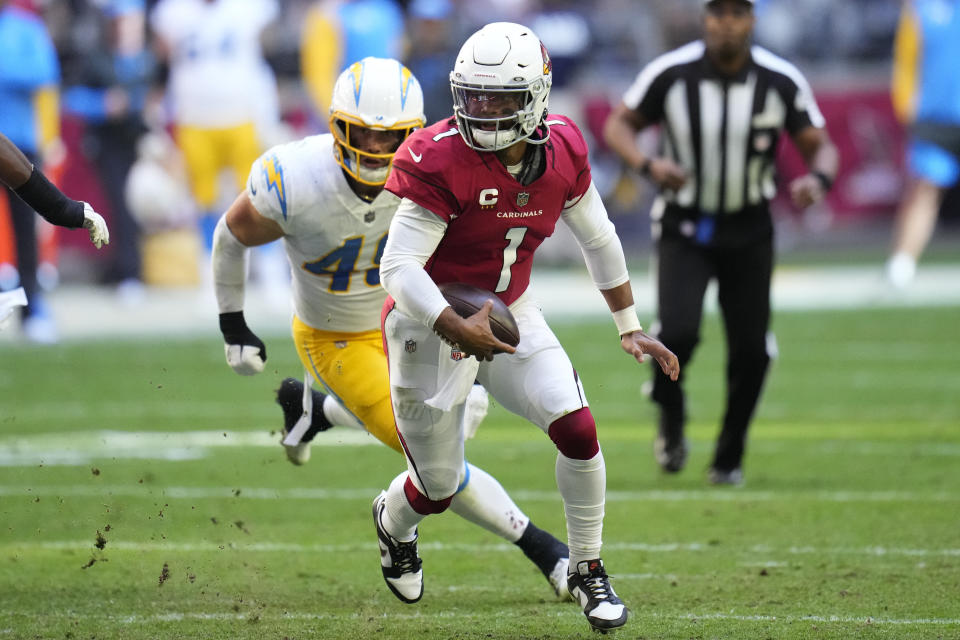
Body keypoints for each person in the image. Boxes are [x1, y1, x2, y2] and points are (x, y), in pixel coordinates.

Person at [211, 56, 572, 601]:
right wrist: (233, 323)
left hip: (416, 321)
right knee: (434, 467)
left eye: (392, 138)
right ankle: (545, 550)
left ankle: (314, 411)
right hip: (337, 334)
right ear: (336, 126)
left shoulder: (441, 166)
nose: (378, 151)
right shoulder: (295, 178)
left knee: (449, 436)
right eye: (364, 135)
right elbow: (231, 233)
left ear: (416, 133)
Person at [372, 23, 679, 633]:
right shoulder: (439, 156)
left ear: (536, 96)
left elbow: (598, 236)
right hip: (424, 326)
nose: (483, 110)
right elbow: (397, 267)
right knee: (436, 487)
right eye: (474, 95)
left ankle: (589, 570)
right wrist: (450, 323)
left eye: (500, 98)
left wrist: (629, 324)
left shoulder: (563, 148)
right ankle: (392, 521)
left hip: (510, 314)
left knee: (579, 426)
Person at [603, 0, 838, 485]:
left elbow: (820, 144)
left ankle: (728, 458)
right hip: (684, 225)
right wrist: (648, 167)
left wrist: (818, 179)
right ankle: (670, 416)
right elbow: (618, 124)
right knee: (678, 335)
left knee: (752, 351)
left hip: (750, 229)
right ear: (704, 18)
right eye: (717, 12)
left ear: (752, 19)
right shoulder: (671, 72)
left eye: (736, 12)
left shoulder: (779, 79)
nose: (725, 23)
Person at [149, 0, 279, 254]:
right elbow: (161, 53)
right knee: (203, 200)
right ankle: (211, 267)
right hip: (194, 118)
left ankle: (268, 267)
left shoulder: (248, 7)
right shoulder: (173, 11)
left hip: (241, 113)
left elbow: (269, 41)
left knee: (257, 196)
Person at [62, 0, 156, 294]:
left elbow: (159, 96)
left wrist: (142, 105)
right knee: (118, 205)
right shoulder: (97, 59)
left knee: (140, 204)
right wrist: (103, 105)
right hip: (109, 144)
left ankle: (132, 269)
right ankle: (126, 271)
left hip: (143, 142)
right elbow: (71, 99)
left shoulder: (149, 59)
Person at [885, 0, 960, 288]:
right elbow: (905, 56)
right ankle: (902, 265)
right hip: (935, 114)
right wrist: (906, 102)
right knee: (925, 189)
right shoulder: (921, 7)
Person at [0, 131, 110, 328]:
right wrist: (61, 208)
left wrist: (61, 208)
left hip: (25, 141)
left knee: (26, 237)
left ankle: (32, 309)